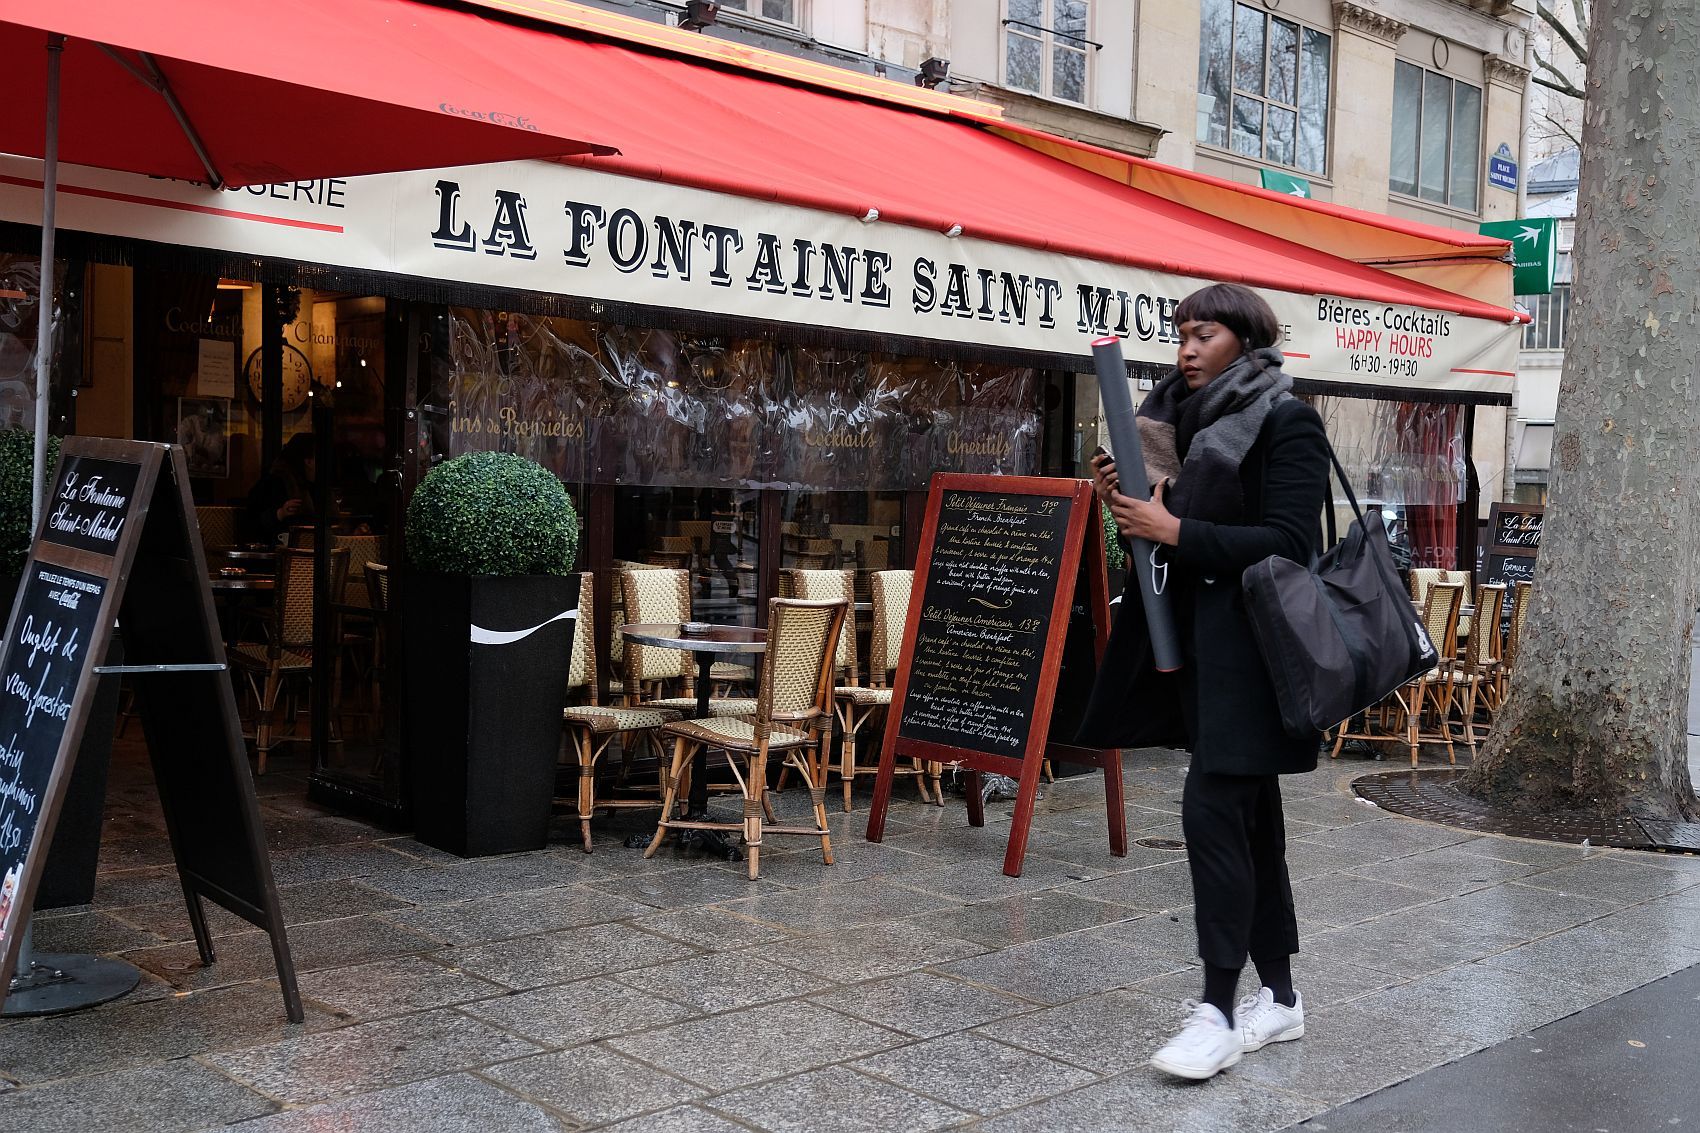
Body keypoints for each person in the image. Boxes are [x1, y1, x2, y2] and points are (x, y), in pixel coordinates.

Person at [1076, 283, 1330, 1081]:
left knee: (1212, 812)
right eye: (1181, 334)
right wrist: (1130, 498)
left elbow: (1290, 540)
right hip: (1197, 652)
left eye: (1204, 333)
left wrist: (1177, 527)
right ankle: (1280, 997)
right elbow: (1152, 538)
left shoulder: (1287, 420)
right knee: (1253, 824)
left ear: (1246, 342)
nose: (1186, 349)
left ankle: (1219, 1009)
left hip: (1259, 658)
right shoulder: (1177, 426)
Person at [241, 432, 318, 545]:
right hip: (275, 553)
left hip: (302, 551)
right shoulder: (275, 482)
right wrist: (280, 513)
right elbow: (252, 522)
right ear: (308, 462)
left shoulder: (311, 486)